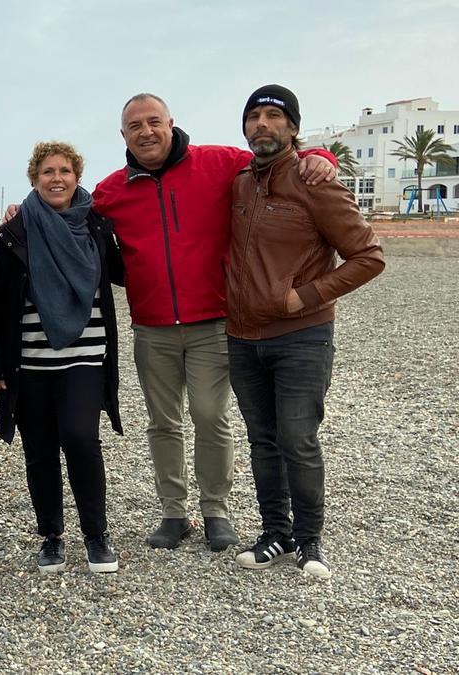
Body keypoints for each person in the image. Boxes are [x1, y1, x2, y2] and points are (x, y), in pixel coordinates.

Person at [7, 93, 337, 551]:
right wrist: (22, 215)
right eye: (135, 126)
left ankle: (216, 510)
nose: (146, 132)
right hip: (152, 325)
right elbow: (68, 211)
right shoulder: (111, 190)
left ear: (171, 124)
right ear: (123, 136)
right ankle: (173, 511)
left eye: (153, 122)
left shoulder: (218, 163)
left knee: (209, 415)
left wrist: (319, 155)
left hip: (212, 321)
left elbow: (273, 160)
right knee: (163, 423)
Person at [227, 85, 384, 579]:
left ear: (293, 128)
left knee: (298, 438)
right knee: (262, 440)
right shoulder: (240, 184)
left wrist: (307, 296)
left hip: (301, 337)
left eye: (274, 116)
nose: (262, 125)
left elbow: (368, 257)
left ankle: (310, 539)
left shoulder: (316, 181)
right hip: (242, 336)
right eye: (254, 117)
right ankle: (275, 531)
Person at [0, 142, 123, 574]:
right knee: (39, 450)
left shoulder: (96, 225)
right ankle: (52, 536)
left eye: (64, 170)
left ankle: (96, 534)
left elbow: (125, 270)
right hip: (31, 360)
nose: (56, 178)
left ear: (77, 176)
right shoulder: (15, 231)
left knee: (80, 438)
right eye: (46, 171)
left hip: (85, 354)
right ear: (34, 179)